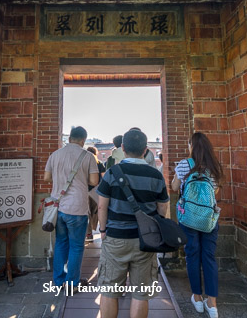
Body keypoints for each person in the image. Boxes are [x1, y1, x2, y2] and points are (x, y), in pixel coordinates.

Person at [97, 129, 170, 318]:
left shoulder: (112, 172)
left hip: (116, 238)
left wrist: (103, 231)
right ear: (146, 150)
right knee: (141, 294)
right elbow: (163, 208)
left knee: (109, 291)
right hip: (145, 240)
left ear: (123, 148)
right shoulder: (155, 175)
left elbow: (102, 207)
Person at [170, 132, 223, 318]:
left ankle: (197, 298)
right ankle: (213, 304)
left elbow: (175, 188)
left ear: (191, 146)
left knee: (192, 255)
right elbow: (214, 192)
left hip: (189, 218)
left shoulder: (185, 164)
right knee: (209, 257)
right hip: (208, 218)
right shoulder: (214, 166)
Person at [44, 126, 99, 289]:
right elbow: (94, 181)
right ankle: (72, 283)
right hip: (77, 207)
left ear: (69, 139)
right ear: (83, 140)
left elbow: (47, 177)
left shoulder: (55, 154)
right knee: (76, 246)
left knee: (61, 242)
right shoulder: (87, 156)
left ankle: (59, 280)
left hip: (58, 206)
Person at [86, 146, 105, 242]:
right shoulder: (99, 163)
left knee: (86, 212)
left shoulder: (84, 163)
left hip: (85, 190)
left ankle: (88, 233)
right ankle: (97, 229)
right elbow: (104, 178)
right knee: (96, 211)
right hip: (96, 191)